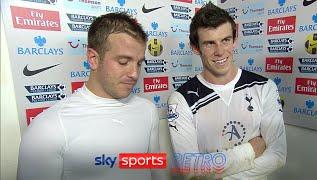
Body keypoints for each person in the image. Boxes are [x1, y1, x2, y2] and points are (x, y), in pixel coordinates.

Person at [18, 12, 162, 180]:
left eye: (139, 63)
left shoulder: (147, 110)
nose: (134, 74)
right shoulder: (48, 128)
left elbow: (156, 171)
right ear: (93, 59)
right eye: (123, 62)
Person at [167, 2, 286, 179]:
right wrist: (250, 150)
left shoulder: (265, 87)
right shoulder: (180, 100)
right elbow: (190, 170)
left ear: (234, 40)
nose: (220, 51)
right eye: (209, 44)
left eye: (225, 40)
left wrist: (213, 172)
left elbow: (277, 156)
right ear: (195, 48)